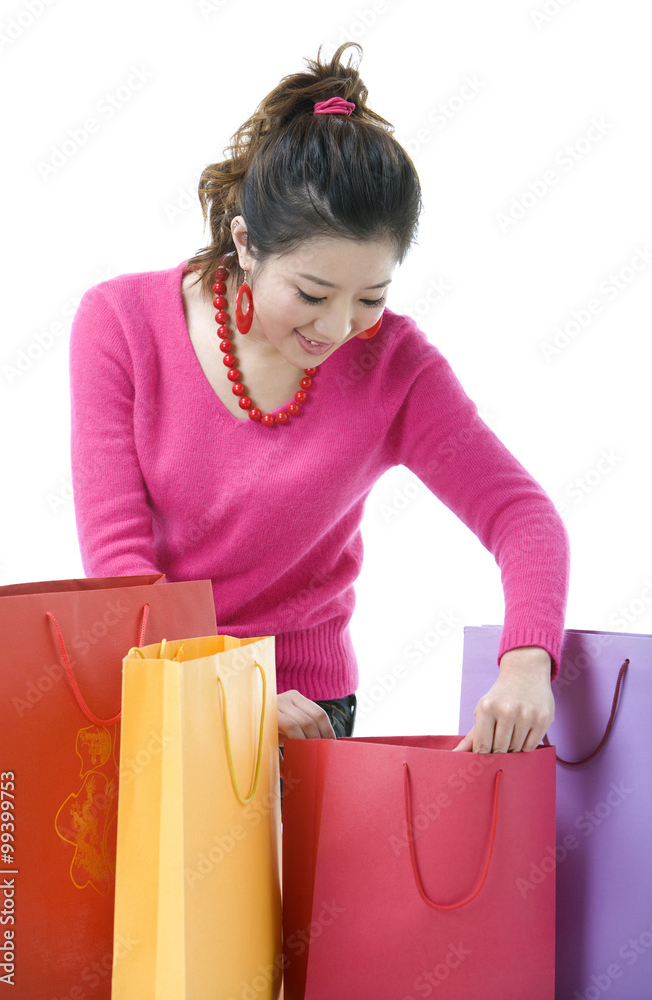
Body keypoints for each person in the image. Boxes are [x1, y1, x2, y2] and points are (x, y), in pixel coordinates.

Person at [69, 41, 569, 755]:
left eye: (371, 296)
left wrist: (526, 660)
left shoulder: (396, 368)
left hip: (308, 714)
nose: (337, 328)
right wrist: (233, 694)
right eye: (310, 293)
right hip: (160, 692)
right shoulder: (121, 325)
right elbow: (120, 572)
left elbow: (521, 514)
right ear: (246, 244)